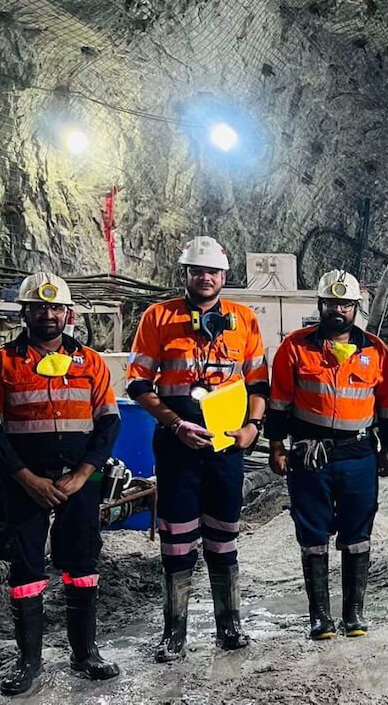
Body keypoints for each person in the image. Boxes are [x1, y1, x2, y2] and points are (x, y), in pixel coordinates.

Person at [0, 273, 121, 695]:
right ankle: (29, 663)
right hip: (23, 481)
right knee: (25, 570)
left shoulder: (90, 362)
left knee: (83, 565)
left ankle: (85, 653)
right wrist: (27, 478)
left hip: (81, 479)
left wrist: (82, 474)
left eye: (55, 307)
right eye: (38, 306)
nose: (47, 313)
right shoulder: (1, 363)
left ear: (68, 313)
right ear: (25, 312)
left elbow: (109, 422)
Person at [126, 236, 269, 661]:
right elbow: (137, 384)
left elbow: (258, 383)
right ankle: (175, 633)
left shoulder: (243, 319)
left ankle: (230, 625)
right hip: (177, 445)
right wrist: (174, 423)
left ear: (225, 277)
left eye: (212, 271)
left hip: (226, 446)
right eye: (196, 271)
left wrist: (253, 428)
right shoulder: (158, 317)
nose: (205, 277)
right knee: (177, 540)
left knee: (224, 536)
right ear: (185, 275)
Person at [266, 270, 388, 640]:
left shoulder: (376, 350)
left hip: (358, 453)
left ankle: (353, 614)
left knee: (358, 532)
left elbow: (387, 406)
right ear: (320, 305)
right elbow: (279, 402)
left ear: (356, 308)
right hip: (311, 453)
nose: (338, 309)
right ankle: (320, 616)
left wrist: (387, 448)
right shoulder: (296, 347)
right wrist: (277, 446)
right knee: (312, 532)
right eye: (332, 303)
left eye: (346, 304)